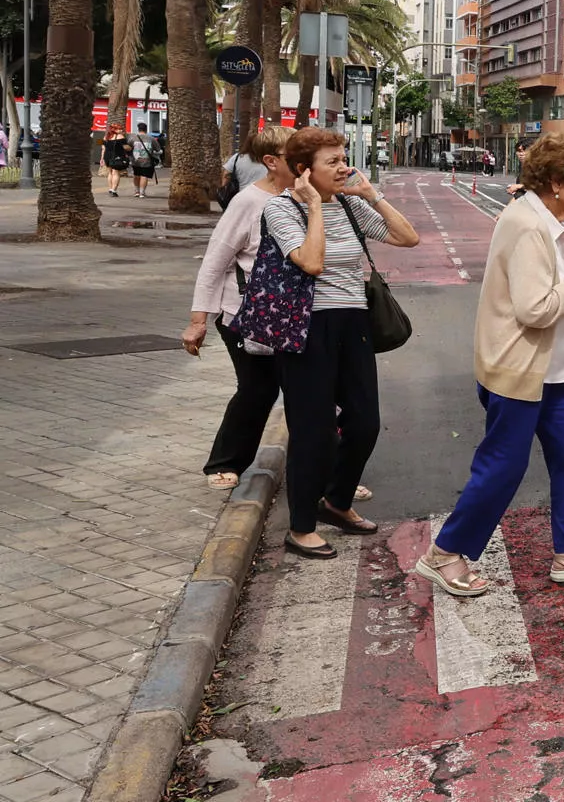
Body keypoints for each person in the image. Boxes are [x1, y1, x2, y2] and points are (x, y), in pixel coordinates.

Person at [415, 130, 564, 596]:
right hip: (519, 369)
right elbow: (534, 310)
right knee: (502, 467)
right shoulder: (529, 224)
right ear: (555, 180)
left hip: (551, 370)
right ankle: (444, 553)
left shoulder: (539, 219)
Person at [264, 128, 421, 559]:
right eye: (331, 162)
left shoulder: (351, 207)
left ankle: (336, 501)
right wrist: (314, 206)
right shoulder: (281, 210)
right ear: (303, 170)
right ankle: (300, 527)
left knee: (365, 422)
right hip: (307, 328)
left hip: (354, 323)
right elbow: (311, 263)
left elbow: (408, 238)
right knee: (312, 431)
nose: (343, 167)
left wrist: (372, 195)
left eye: (342, 158)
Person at [185, 127, 296, 488]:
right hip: (245, 313)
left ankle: (330, 477)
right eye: (294, 153)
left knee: (311, 392)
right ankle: (225, 463)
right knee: (257, 390)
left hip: (294, 315)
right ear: (271, 162)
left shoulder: (307, 196)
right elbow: (215, 262)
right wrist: (199, 320)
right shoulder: (248, 201)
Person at [128, 125, 159, 198]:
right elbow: (158, 149)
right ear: (146, 129)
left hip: (135, 160)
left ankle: (136, 191)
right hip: (147, 161)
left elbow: (128, 147)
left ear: (138, 129)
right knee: (144, 176)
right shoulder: (151, 138)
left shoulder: (132, 138)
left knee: (136, 175)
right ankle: (142, 193)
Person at [102, 127, 131, 198]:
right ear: (114, 130)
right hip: (116, 156)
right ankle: (113, 190)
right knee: (115, 172)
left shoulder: (105, 137)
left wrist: (101, 158)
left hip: (107, 156)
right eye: (119, 129)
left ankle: (110, 188)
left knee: (110, 173)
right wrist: (130, 148)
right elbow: (126, 147)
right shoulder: (120, 136)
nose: (121, 130)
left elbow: (103, 148)